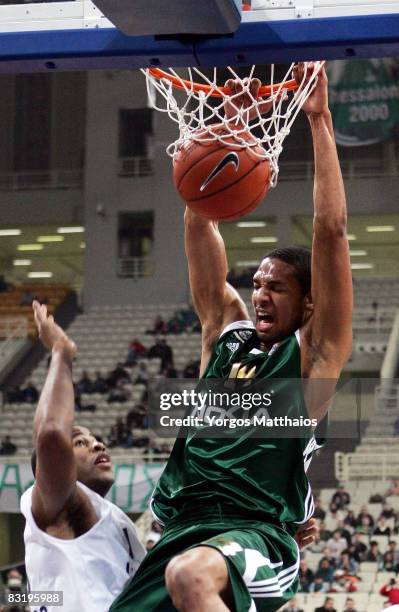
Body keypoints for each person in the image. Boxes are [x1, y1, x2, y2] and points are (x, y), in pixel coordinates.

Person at [111, 63, 352, 612]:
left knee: (193, 577)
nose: (261, 295)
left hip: (254, 535)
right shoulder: (225, 336)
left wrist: (318, 123)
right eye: (258, 283)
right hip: (179, 530)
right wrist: (225, 132)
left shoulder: (312, 360)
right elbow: (200, 223)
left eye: (279, 288)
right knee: (177, 574)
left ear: (310, 303)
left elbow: (331, 233)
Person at [20, 301, 145, 612]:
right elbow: (50, 435)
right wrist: (61, 352)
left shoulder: (114, 521)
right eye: (80, 442)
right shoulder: (60, 505)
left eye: (96, 439)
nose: (98, 445)